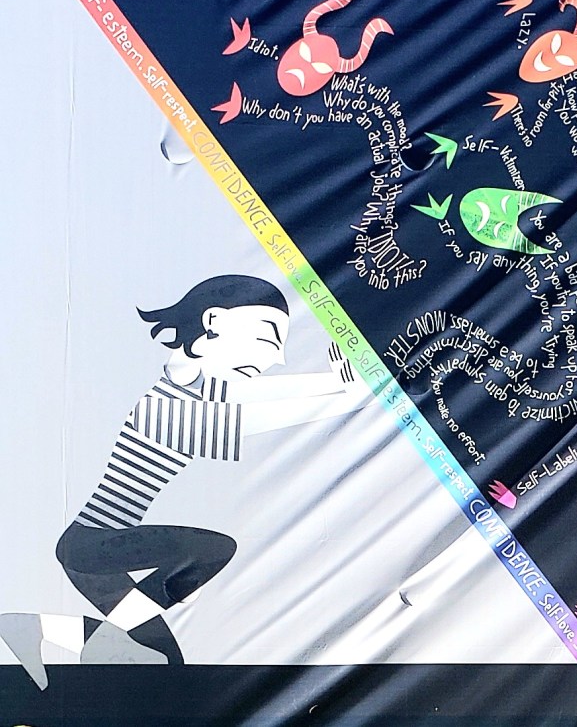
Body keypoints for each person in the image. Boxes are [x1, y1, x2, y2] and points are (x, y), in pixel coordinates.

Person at [1, 275, 369, 688]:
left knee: (165, 662)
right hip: (94, 545)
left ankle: (35, 627)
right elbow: (250, 417)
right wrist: (344, 397)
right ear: (213, 320)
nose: (278, 358)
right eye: (268, 337)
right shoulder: (169, 413)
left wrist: (335, 385)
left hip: (98, 550)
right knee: (212, 549)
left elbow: (254, 394)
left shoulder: (192, 389)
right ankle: (85, 635)